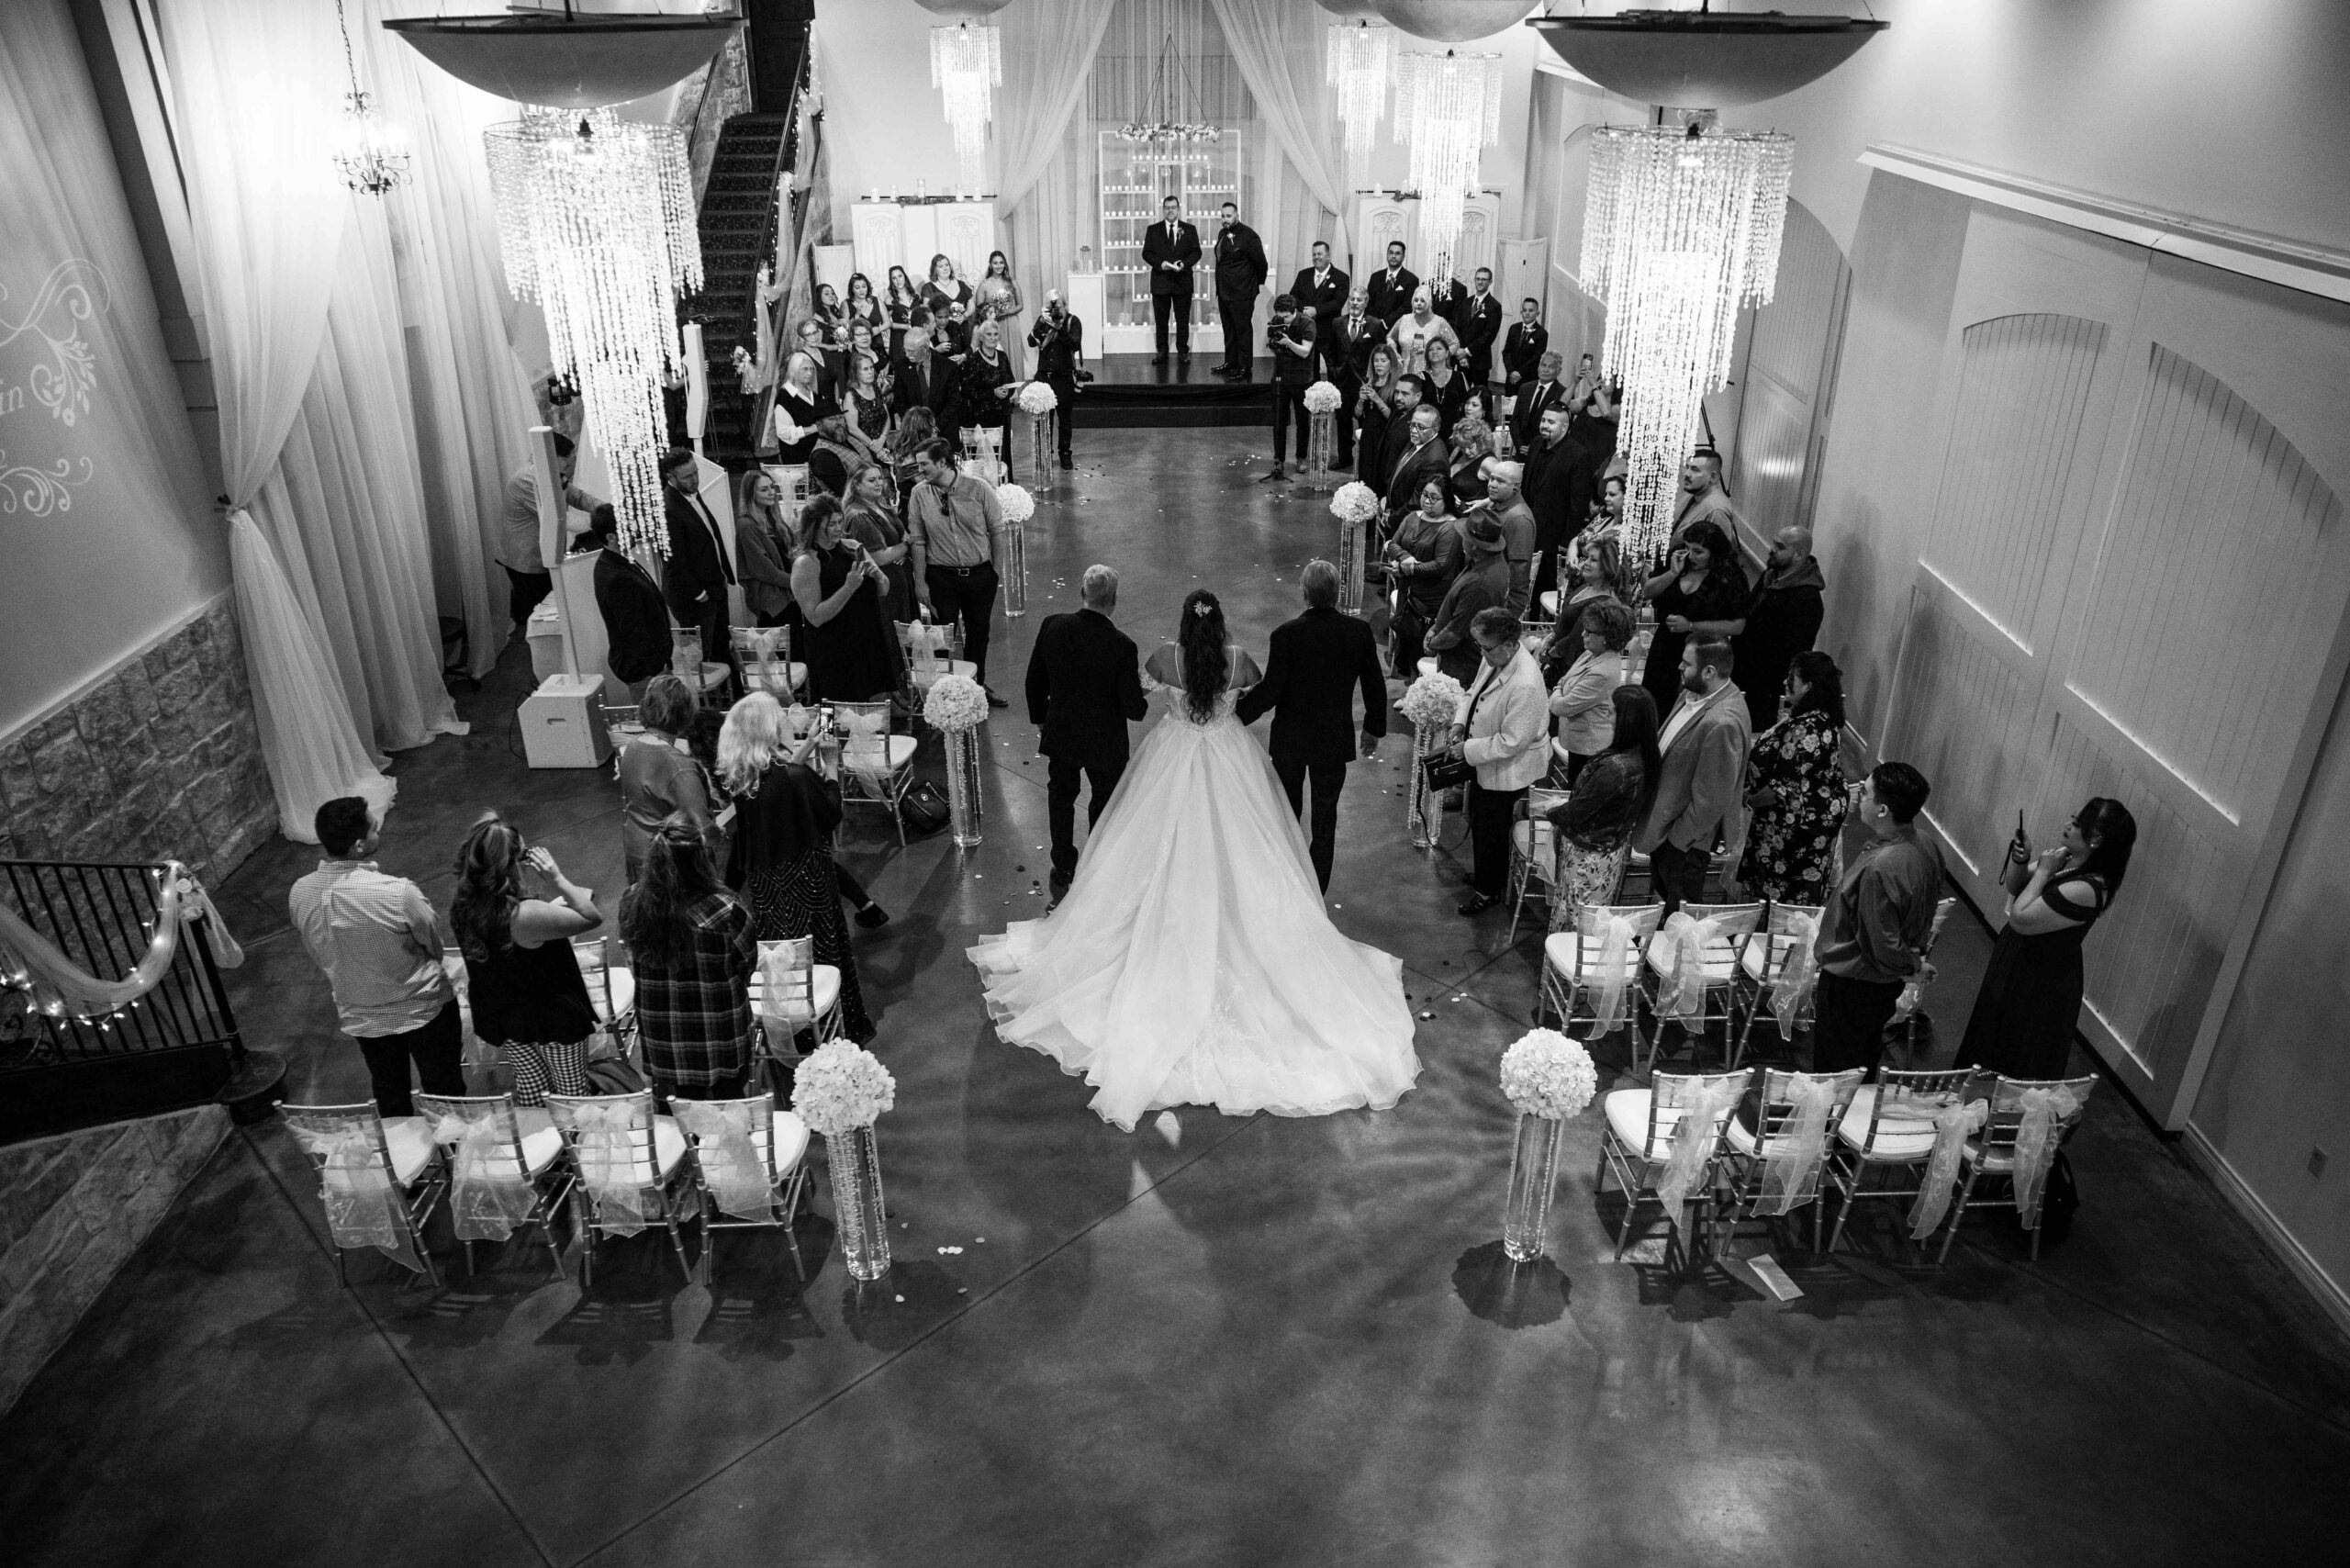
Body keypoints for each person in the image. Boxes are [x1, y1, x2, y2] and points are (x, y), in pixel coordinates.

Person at [970, 588, 1421, 1132]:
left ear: (1185, 624)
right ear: (1221, 623)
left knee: (1152, 844)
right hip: (1231, 761)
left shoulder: (1166, 658)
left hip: (1173, 757)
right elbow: (1256, 693)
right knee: (1252, 847)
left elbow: (1139, 697)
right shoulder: (1239, 662)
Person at [288, 797, 464, 1120]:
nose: (378, 830)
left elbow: (317, 950)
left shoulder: (299, 891)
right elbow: (433, 946)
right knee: (446, 1091)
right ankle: (457, 1154)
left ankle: (406, 1163)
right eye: (374, 827)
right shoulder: (397, 892)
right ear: (358, 845)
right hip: (422, 1008)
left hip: (361, 1014)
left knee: (389, 1092)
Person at [719, 692, 878, 1046]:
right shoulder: (794, 777)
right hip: (809, 881)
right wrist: (832, 767)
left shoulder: (744, 777)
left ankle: (792, 1024)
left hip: (767, 886)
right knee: (822, 949)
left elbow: (782, 781)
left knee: (785, 957)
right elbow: (831, 812)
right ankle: (833, 1027)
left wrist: (805, 749)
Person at [1957, 798, 2136, 1081]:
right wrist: (2022, 858)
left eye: (2077, 824)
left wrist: (2042, 871)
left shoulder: (2089, 888)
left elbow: (2021, 917)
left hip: (2040, 981)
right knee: (1991, 1034)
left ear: (2096, 838)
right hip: (2020, 964)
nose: (2067, 825)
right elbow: (2017, 886)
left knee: (2013, 1049)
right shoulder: (2067, 860)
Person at [1235, 560, 1388, 892]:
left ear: (1304, 593)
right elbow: (1375, 684)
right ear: (1336, 593)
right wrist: (1373, 727)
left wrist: (1237, 715)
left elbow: (1272, 690)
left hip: (1291, 740)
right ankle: (1317, 888)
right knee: (1326, 818)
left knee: (1287, 813)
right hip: (1333, 741)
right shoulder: (1358, 633)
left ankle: (1289, 884)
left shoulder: (1286, 635)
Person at [448, 814, 600, 1107]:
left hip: (503, 1013)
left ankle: (542, 1145)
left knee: (531, 1088)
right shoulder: (524, 914)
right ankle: (573, 1143)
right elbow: (591, 916)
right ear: (513, 865)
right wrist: (556, 877)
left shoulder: (463, 906)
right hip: (550, 1016)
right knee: (571, 1095)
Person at [1025, 564, 1148, 905]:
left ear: (1083, 593)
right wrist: (1146, 687)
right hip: (1104, 741)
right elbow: (1133, 709)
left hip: (1062, 731)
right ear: (1114, 601)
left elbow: (1034, 679)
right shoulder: (1123, 646)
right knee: (1103, 800)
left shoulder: (1053, 625)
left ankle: (1064, 865)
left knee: (1061, 796)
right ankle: (1097, 860)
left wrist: (1041, 719)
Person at [1812, 762, 1946, 1077]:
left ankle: (1836, 1124)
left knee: (1838, 1076)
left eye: (1866, 792)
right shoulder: (1924, 843)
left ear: (1883, 810)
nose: (1859, 795)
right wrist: (1913, 958)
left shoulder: (1879, 869)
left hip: (1854, 985)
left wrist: (1913, 965)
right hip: (1879, 986)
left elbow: (1882, 944)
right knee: (1862, 1059)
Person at [621, 816, 757, 1101]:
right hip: (720, 1033)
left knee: (681, 1109)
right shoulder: (726, 909)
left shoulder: (631, 902)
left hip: (663, 1037)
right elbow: (746, 966)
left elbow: (633, 960)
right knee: (729, 1105)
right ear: (702, 860)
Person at [1634, 634, 1752, 915]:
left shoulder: (1721, 722)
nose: (1679, 667)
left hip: (1683, 841)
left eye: (1687, 663)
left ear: (1709, 671)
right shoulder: (1693, 695)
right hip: (1665, 824)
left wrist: (1677, 840)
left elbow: (1712, 799)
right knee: (1667, 902)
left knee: (1681, 914)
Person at [1444, 609, 1551, 914]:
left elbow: (1512, 742)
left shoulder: (1526, 683)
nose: (1482, 652)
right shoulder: (1494, 656)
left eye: (1486, 646)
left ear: (1509, 642)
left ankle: (1488, 890)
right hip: (1485, 760)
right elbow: (1473, 693)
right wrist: (1459, 724)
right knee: (1480, 821)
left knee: (1492, 829)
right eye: (1479, 645)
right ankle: (1486, 874)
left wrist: (1467, 749)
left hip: (1508, 771)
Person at [1739, 651, 1852, 902]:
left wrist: (1747, 801)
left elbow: (1780, 787)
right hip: (1799, 819)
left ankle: (1774, 931)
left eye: (1791, 678)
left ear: (1809, 686)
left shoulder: (1809, 726)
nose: (1784, 682)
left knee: (1785, 892)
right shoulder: (1814, 716)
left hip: (1796, 827)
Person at [1543, 683, 1661, 923]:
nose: (1608, 718)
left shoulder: (1618, 767)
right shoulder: (1644, 755)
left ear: (1627, 720)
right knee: (1590, 918)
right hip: (1607, 853)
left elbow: (1577, 812)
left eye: (1612, 712)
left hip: (1588, 856)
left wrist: (1551, 810)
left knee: (1575, 922)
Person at [909, 439, 1011, 706]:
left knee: (979, 634)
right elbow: (918, 540)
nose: (920, 471)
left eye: (924, 464)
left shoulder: (978, 488)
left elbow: (998, 530)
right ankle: (946, 694)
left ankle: (976, 689)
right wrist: (920, 581)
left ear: (943, 462)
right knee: (941, 637)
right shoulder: (919, 494)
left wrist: (994, 573)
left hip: (979, 575)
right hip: (941, 578)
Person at [790, 493, 896, 703]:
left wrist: (877, 575)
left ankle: (865, 736)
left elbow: (884, 590)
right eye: (831, 524)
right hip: (830, 648)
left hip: (861, 640)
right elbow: (815, 617)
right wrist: (849, 587)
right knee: (829, 706)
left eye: (840, 522)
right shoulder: (806, 563)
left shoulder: (853, 547)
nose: (838, 528)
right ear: (814, 526)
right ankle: (824, 735)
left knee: (862, 704)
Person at [1639, 519, 1748, 719]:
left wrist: (1690, 625)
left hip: (1701, 651)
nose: (1690, 555)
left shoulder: (1730, 577)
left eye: (1698, 551)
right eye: (1688, 548)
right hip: (1664, 644)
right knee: (1652, 703)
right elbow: (1648, 591)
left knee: (1682, 708)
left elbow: (1738, 626)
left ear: (1713, 553)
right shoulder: (1678, 557)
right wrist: (1672, 573)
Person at [498, 433, 603, 636]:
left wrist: (607, 509)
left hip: (545, 555)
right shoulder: (526, 481)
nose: (570, 465)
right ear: (552, 456)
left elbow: (579, 497)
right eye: (567, 459)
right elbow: (560, 519)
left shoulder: (551, 474)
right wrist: (604, 522)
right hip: (527, 561)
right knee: (541, 613)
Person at [618, 674, 719, 882]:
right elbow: (702, 831)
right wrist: (723, 833)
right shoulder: (680, 766)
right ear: (685, 714)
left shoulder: (633, 746)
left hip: (636, 849)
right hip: (669, 864)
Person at [1732, 525, 1828, 733]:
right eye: (1774, 543)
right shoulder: (1771, 575)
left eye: (1780, 547)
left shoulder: (1807, 600)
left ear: (1799, 555)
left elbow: (1789, 652)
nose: (1771, 549)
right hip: (1743, 673)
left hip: (1765, 687)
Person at [658, 446, 735, 683]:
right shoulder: (669, 508)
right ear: (671, 478)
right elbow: (672, 559)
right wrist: (698, 593)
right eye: (687, 476)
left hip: (713, 586)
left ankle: (727, 700)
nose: (694, 480)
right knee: (703, 662)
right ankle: (709, 709)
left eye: (695, 473)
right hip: (694, 598)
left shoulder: (690, 492)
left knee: (721, 646)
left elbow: (708, 536)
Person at [1549, 598, 1636, 785]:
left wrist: (1558, 690)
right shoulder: (1591, 652)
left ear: (1606, 636)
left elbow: (1561, 707)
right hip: (1576, 741)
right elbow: (1564, 679)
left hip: (1589, 748)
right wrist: (1560, 687)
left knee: (1578, 791)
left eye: (1589, 632)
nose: (1582, 635)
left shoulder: (1602, 672)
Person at [1382, 476, 1463, 678]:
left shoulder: (1450, 528)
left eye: (1434, 498)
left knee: (1422, 647)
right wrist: (1406, 559)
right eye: (1425, 495)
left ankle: (1419, 692)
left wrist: (1408, 568)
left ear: (1446, 501)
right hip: (1408, 590)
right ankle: (1410, 686)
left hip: (1431, 597)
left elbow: (1441, 566)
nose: (1427, 501)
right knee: (1407, 639)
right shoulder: (1412, 518)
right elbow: (1393, 543)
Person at [588, 506, 670, 702]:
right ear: (611, 537)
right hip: (644, 671)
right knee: (659, 722)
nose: (634, 530)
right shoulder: (616, 577)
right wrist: (656, 666)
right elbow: (633, 631)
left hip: (648, 666)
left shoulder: (616, 561)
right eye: (627, 527)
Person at [1425, 511, 1513, 685]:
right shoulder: (1489, 562)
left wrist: (1431, 643)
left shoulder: (1480, 584)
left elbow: (1454, 635)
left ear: (1473, 546)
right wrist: (1437, 626)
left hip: (1462, 667)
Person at [1523, 403, 1595, 600]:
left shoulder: (1578, 455)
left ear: (1564, 427)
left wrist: (1567, 541)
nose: (1544, 425)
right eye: (1543, 420)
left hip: (1554, 536)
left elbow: (1578, 503)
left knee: (1545, 586)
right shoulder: (1536, 443)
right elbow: (1527, 486)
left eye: (1551, 422)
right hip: (1529, 527)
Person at [844, 460, 916, 625]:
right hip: (884, 589)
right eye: (871, 480)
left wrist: (901, 549)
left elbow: (902, 534)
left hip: (900, 582)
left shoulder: (880, 504)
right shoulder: (859, 517)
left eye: (879, 478)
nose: (878, 484)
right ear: (856, 485)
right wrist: (906, 546)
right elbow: (879, 558)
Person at [1211, 201, 1269, 380]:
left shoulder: (1249, 236)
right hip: (1225, 291)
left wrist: (1253, 284)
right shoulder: (1222, 233)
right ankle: (1231, 362)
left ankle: (1245, 367)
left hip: (1242, 292)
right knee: (1229, 329)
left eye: (1228, 216)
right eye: (1222, 216)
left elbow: (1261, 264)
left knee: (1242, 330)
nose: (1225, 220)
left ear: (1237, 216)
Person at [1140, 196, 1202, 364]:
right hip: (1161, 281)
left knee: (1183, 319)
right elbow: (1146, 253)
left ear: (1178, 209)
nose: (1170, 210)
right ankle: (1162, 351)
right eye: (1167, 207)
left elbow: (1197, 252)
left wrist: (1185, 263)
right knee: (1161, 320)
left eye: (1173, 207)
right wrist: (1161, 264)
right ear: (1163, 209)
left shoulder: (1190, 229)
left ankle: (1183, 351)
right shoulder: (1153, 230)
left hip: (1183, 281)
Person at [1026, 289, 1084, 469]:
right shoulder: (1043, 320)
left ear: (1064, 305)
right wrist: (1042, 323)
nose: (1055, 311)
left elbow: (1075, 344)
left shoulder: (1072, 321)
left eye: (1058, 306)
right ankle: (1046, 454)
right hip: (1044, 377)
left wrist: (1060, 330)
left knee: (1065, 420)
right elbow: (1030, 340)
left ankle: (1065, 453)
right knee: (1045, 420)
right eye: (1051, 307)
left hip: (1064, 378)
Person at [733, 469, 797, 631]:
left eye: (772, 487)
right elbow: (763, 570)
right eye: (764, 489)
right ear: (750, 495)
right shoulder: (746, 525)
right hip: (773, 600)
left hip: (790, 595)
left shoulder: (773, 517)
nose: (771, 493)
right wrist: (798, 583)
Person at [1262, 294, 1315, 482]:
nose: (1282, 320)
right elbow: (1271, 346)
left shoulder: (1307, 324)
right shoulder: (1277, 321)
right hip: (1281, 378)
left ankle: (1301, 457)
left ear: (1295, 312)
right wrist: (1275, 343)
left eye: (1286, 317)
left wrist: (1288, 343)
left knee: (1302, 420)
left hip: (1301, 379)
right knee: (1279, 420)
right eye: (1280, 316)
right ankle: (1279, 458)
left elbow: (1305, 351)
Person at [1333, 287, 1386, 470]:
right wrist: (1334, 371)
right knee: (1342, 421)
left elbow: (1381, 352)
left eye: (1359, 300)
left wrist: (1375, 378)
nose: (1355, 303)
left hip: (1365, 383)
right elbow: (1331, 350)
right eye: (1352, 299)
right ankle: (1344, 457)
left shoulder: (1375, 324)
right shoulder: (1338, 322)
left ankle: (1366, 458)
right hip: (1342, 382)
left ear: (1366, 302)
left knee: (1366, 421)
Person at [1381, 397, 1450, 535]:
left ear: (1435, 429)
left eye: (1421, 427)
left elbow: (1418, 502)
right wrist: (1389, 505)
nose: (1413, 430)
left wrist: (1393, 519)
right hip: (1396, 511)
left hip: (1409, 526)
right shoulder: (1418, 440)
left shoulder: (1434, 460)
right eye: (1412, 424)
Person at [952, 317, 1018, 460]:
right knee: (987, 458)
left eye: (996, 334)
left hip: (1003, 413)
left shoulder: (1002, 356)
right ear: (981, 337)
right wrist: (992, 393)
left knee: (1004, 456)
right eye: (989, 334)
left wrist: (1007, 391)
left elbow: (1011, 380)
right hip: (983, 416)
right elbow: (967, 391)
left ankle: (1004, 482)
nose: (993, 338)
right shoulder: (973, 361)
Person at [890, 311, 956, 450]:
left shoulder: (948, 367)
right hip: (914, 435)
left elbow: (953, 401)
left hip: (944, 431)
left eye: (912, 351)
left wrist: (935, 427)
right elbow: (899, 401)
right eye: (905, 350)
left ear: (926, 348)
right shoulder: (901, 367)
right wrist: (915, 425)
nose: (908, 355)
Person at [1288, 240, 1349, 378]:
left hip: (1329, 331)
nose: (1316, 257)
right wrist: (1305, 310)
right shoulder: (1303, 274)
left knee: (1332, 369)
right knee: (1309, 370)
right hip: (1306, 331)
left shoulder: (1341, 277)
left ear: (1328, 256)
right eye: (1314, 254)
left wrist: (1316, 311)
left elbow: (1338, 303)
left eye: (1320, 254)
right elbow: (1293, 297)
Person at [1482, 459, 1536, 615]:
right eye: (1491, 478)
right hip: (1488, 591)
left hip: (1501, 605)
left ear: (1515, 488)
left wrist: (1508, 614)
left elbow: (1518, 572)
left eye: (1500, 481)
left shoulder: (1519, 519)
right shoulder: (1498, 505)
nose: (1492, 484)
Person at [1352, 342, 1402, 484]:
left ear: (1391, 364)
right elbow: (1357, 414)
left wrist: (1377, 400)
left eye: (1383, 361)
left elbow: (1394, 418)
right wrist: (1361, 400)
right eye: (1376, 361)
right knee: (1366, 474)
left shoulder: (1396, 387)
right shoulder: (1369, 383)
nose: (1379, 365)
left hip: (1385, 437)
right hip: (1368, 435)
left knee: (1380, 476)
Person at [1457, 267, 1504, 416]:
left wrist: (1467, 351)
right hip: (1461, 359)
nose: (1480, 282)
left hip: (1480, 360)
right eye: (1478, 279)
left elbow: (1488, 335)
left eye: (1484, 279)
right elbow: (1457, 328)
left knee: (1482, 397)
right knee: (1462, 394)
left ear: (1490, 282)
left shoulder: (1494, 306)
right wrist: (1461, 353)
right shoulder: (1466, 302)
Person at [974, 249, 1026, 378]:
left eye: (1001, 263)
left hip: (1012, 323)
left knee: (1015, 355)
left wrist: (1008, 311)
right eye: (995, 263)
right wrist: (993, 312)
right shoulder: (984, 285)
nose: (999, 266)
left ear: (1005, 264)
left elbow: (1020, 305)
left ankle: (1016, 392)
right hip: (994, 325)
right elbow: (980, 310)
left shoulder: (1012, 282)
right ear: (990, 265)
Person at [1388, 286, 1460, 378]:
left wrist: (1440, 357)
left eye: (1423, 301)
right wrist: (1393, 350)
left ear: (1429, 303)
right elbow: (1390, 337)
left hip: (1430, 373)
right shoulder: (1404, 319)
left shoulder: (1439, 322)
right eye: (1416, 300)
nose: (1418, 303)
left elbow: (1455, 343)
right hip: (1403, 372)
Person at [1565, 353, 1620, 473]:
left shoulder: (1618, 409)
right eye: (1600, 378)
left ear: (1617, 386)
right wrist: (1575, 382)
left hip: (1598, 466)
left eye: (1608, 379)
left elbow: (1607, 413)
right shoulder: (1586, 402)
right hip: (1574, 459)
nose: (1602, 381)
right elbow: (1562, 406)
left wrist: (1594, 383)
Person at [1509, 350, 1569, 454]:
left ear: (1559, 371)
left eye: (1551, 367)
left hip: (1545, 452)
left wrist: (1536, 447)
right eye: (1543, 365)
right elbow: (1515, 420)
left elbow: (1559, 429)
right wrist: (1520, 445)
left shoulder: (1563, 393)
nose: (1545, 370)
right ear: (1538, 367)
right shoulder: (1525, 388)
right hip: (1521, 450)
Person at [1673, 449, 1737, 545]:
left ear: (1712, 477)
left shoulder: (1716, 511)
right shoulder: (1692, 491)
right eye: (1687, 467)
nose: (1687, 474)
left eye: (1695, 470)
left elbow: (1721, 555)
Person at [772, 351, 824, 465]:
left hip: (817, 455)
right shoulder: (785, 397)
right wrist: (812, 429)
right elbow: (784, 432)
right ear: (794, 371)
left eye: (811, 369)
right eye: (805, 369)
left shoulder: (814, 394)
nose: (809, 373)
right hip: (796, 456)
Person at [1501, 300, 1548, 404]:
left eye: (1531, 310)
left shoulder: (1542, 333)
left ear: (1537, 313)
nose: (1527, 313)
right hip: (1511, 379)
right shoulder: (1514, 328)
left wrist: (1519, 373)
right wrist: (1511, 371)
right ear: (1521, 311)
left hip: (1528, 379)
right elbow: (1506, 352)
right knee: (1508, 410)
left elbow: (1535, 358)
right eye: (1524, 310)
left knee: (1524, 410)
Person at [1422, 337, 1472, 433]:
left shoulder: (1459, 376)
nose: (1434, 351)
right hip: (1427, 431)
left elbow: (1468, 403)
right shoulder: (1421, 377)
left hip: (1454, 431)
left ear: (1447, 353)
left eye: (1439, 348)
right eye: (1431, 349)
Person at [1364, 241, 1419, 326]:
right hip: (1373, 327)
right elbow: (1368, 302)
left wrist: (1384, 322)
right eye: (1391, 253)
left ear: (1403, 257)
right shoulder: (1375, 277)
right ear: (1387, 255)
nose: (1393, 256)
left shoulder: (1412, 280)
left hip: (1397, 329)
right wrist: (1374, 321)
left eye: (1397, 253)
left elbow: (1407, 308)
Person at [1445, 409, 1491, 505]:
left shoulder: (1488, 462)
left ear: (1480, 442)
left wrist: (1484, 502)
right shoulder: (1457, 452)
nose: (1466, 452)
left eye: (1470, 447)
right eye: (1462, 446)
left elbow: (1508, 490)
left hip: (1475, 516)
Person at [884, 264, 920, 362]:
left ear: (905, 276)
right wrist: (904, 326)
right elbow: (886, 323)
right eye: (894, 278)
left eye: (900, 276)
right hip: (900, 338)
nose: (898, 280)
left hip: (916, 336)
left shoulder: (915, 293)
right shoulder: (890, 298)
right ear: (891, 281)